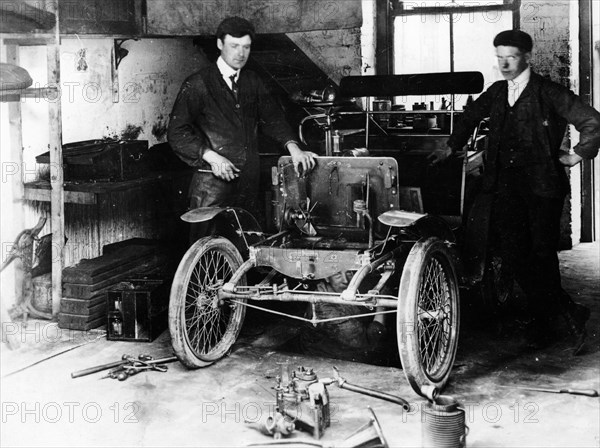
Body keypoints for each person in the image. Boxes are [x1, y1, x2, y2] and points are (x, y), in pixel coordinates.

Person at [429, 30, 600, 354]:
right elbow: (469, 117)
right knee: (513, 255)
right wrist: (451, 147)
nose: (504, 63)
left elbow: (592, 121)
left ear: (527, 58)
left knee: (541, 256)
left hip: (542, 188)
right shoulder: (496, 92)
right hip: (505, 186)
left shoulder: (548, 92)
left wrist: (579, 153)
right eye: (499, 57)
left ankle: (547, 322)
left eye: (511, 56)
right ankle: (564, 311)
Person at [168, 17, 316, 240]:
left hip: (247, 183)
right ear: (220, 44)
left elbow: (273, 119)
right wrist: (210, 156)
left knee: (248, 248)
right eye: (234, 46)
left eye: (246, 47)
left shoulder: (252, 81)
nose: (241, 53)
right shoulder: (198, 83)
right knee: (207, 252)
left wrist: (294, 148)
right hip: (212, 186)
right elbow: (177, 132)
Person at [289, 270, 390, 365]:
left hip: (341, 350)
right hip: (327, 360)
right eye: (338, 275)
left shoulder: (338, 290)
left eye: (349, 273)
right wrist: (381, 305)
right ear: (327, 277)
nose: (345, 280)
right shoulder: (325, 307)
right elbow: (366, 343)